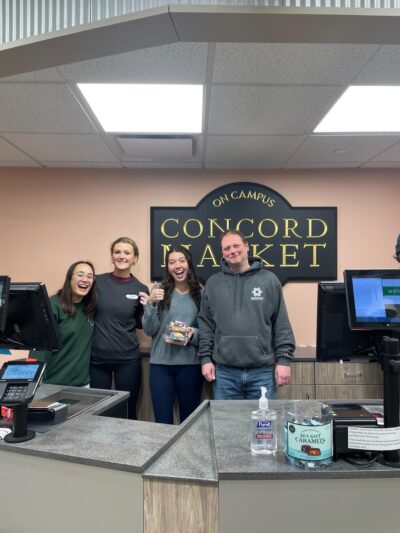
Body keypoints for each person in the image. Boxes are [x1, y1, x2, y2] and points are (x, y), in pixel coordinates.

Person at [198, 229, 295, 400]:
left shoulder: (269, 280)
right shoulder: (213, 284)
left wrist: (284, 360)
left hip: (262, 372)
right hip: (224, 374)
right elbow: (206, 325)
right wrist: (205, 358)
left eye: (236, 245)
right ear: (222, 253)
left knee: (263, 426)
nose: (232, 251)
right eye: (227, 248)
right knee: (227, 426)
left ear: (247, 246)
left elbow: (281, 323)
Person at [139, 246, 203, 424]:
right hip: (161, 366)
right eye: (172, 262)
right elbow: (149, 330)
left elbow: (207, 332)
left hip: (190, 366)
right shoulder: (159, 290)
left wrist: (190, 334)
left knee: (189, 421)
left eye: (181, 260)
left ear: (189, 264)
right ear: (167, 267)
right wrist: (150, 304)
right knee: (162, 421)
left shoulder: (200, 292)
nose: (177, 265)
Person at [90, 237, 148, 419]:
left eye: (127, 252)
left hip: (127, 360)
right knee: (98, 413)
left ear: (134, 258)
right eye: (117, 252)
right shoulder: (96, 282)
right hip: (97, 360)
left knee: (128, 411)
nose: (121, 256)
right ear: (112, 256)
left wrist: (149, 308)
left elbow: (141, 324)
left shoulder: (140, 288)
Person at [32, 261, 96, 387]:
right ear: (70, 278)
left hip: (82, 385)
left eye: (89, 277)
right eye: (80, 275)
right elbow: (39, 348)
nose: (85, 279)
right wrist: (38, 382)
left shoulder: (89, 308)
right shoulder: (53, 305)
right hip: (53, 384)